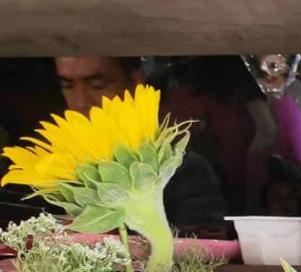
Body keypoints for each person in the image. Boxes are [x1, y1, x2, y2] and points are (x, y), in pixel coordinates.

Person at [54, 56, 228, 236]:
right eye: (68, 86)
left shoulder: (182, 169)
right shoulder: (54, 168)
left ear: (137, 82)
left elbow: (205, 254)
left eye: (97, 85)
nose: (80, 102)